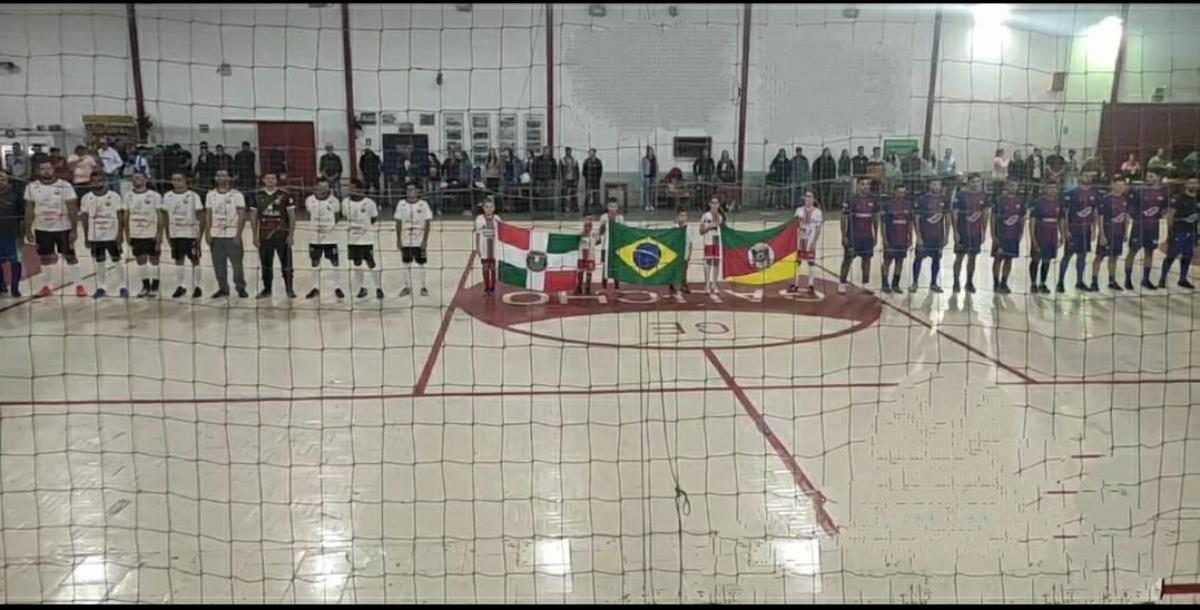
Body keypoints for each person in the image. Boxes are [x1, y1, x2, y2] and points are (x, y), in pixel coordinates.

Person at [24, 160, 84, 297]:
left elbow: (72, 209)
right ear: (38, 171)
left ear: (53, 169)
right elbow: (29, 210)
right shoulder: (31, 187)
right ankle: (47, 286)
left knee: (70, 256)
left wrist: (74, 229)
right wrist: (28, 230)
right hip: (42, 229)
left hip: (63, 228)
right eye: (42, 168)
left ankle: (79, 285)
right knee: (45, 258)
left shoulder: (65, 186)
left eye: (48, 168)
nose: (46, 171)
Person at [79, 171, 127, 298]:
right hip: (95, 237)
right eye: (94, 181)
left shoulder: (114, 196)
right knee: (99, 262)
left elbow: (120, 216)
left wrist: (120, 234)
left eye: (99, 181)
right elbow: (84, 218)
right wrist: (86, 236)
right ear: (90, 183)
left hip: (111, 235)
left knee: (117, 261)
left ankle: (123, 286)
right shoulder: (86, 198)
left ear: (104, 181)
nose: (97, 183)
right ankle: (101, 287)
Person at [204, 169, 248, 299]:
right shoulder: (210, 195)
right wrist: (208, 232)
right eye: (218, 175)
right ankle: (223, 288)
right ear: (215, 178)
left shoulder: (237, 195)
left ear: (229, 178)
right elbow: (208, 214)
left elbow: (241, 215)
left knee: (237, 265)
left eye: (224, 175)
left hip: (232, 235)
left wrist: (238, 235)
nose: (221, 178)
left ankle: (240, 288)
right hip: (216, 235)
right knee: (218, 265)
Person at [252, 172, 296, 299]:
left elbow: (292, 216)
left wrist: (291, 235)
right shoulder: (257, 195)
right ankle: (267, 289)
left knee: (287, 264)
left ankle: (289, 289)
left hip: (282, 235)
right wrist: (254, 236)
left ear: (276, 180)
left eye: (273, 178)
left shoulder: (285, 194)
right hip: (265, 236)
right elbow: (254, 217)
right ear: (263, 180)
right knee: (266, 264)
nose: (270, 180)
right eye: (268, 178)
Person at [163, 172, 205, 299]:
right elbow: (165, 216)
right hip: (175, 233)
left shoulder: (193, 196)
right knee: (178, 260)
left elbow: (201, 216)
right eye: (174, 179)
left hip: (190, 234)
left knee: (194, 260)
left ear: (186, 181)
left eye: (179, 179)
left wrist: (199, 236)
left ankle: (197, 287)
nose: (176, 182)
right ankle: (180, 286)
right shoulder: (167, 196)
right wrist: (167, 234)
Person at [1125, 168, 1167, 290]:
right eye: (1147, 176)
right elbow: (1130, 208)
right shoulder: (1139, 191)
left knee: (1149, 253)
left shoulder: (1163, 193)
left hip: (1153, 228)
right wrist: (1137, 218)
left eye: (1151, 176)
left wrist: (1157, 216)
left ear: (1158, 178)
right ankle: (1128, 279)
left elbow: (1164, 210)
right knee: (1132, 252)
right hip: (1139, 227)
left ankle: (1146, 280)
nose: (1148, 178)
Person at [1058, 170, 1099, 293]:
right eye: (1085, 175)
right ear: (1080, 177)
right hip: (1073, 230)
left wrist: (1094, 229)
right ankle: (1060, 283)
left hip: (1085, 230)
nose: (1088, 178)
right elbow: (1064, 214)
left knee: (1083, 256)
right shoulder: (1071, 193)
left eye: (1090, 176)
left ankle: (1079, 282)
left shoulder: (1094, 193)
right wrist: (1066, 231)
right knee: (1067, 256)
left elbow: (1094, 212)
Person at [304, 177, 344, 300]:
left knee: (335, 262)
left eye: (326, 187)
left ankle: (337, 287)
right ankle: (315, 287)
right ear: (315, 187)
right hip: (315, 238)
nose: (323, 190)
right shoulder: (309, 200)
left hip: (330, 237)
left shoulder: (334, 201)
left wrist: (329, 228)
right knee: (315, 262)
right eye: (321, 187)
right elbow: (308, 215)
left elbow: (337, 217)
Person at [342, 179, 383, 300]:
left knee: (371, 263)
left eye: (352, 187)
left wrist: (364, 228)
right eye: (349, 187)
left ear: (359, 189)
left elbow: (374, 218)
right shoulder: (345, 202)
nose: (349, 190)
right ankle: (361, 287)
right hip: (352, 239)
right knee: (357, 263)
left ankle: (378, 287)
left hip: (366, 239)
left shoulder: (369, 202)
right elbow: (344, 216)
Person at [124, 171, 163, 298]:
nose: (136, 180)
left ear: (146, 180)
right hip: (136, 233)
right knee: (141, 260)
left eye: (139, 178)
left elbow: (160, 216)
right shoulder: (128, 195)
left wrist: (159, 234)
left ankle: (155, 286)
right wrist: (127, 233)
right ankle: (145, 286)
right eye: (134, 178)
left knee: (154, 260)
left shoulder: (154, 196)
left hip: (151, 233)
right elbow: (126, 215)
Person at [838, 177, 878, 295]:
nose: (865, 186)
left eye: (867, 184)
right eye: (863, 184)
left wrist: (876, 235)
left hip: (867, 237)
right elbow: (843, 218)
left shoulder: (873, 200)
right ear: (858, 185)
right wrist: (844, 235)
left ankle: (865, 284)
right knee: (847, 259)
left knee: (867, 260)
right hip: (853, 237)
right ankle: (842, 283)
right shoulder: (851, 200)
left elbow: (875, 218)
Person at [1159, 176, 1199, 290]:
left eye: (1196, 183)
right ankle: (1162, 278)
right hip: (1179, 232)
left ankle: (1182, 279)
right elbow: (1170, 215)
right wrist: (1170, 232)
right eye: (1191, 183)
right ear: (1186, 185)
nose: (1194, 185)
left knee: (1187, 256)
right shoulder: (1179, 199)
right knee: (1171, 255)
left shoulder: (1198, 199)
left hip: (1192, 232)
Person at [951, 173, 988, 293]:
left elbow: (985, 215)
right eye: (973, 182)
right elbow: (954, 214)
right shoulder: (961, 195)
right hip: (963, 232)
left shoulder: (984, 196)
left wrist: (983, 231)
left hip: (976, 233)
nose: (975, 184)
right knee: (959, 257)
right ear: (968, 183)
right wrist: (956, 232)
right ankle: (956, 282)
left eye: (978, 182)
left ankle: (969, 282)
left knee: (972, 258)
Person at [910, 177, 949, 292]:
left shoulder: (944, 200)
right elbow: (916, 219)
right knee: (918, 259)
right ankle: (915, 283)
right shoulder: (922, 200)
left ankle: (933, 283)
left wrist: (946, 236)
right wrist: (918, 237)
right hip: (925, 236)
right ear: (929, 186)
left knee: (937, 260)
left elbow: (948, 218)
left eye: (938, 184)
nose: (937, 187)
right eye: (934, 184)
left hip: (938, 237)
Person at [395, 182, 432, 297]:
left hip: (419, 239)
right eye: (408, 189)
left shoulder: (423, 204)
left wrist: (425, 240)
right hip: (406, 239)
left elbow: (427, 223)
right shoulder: (401, 204)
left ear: (417, 191)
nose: (410, 192)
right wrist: (398, 239)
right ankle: (407, 287)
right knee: (406, 263)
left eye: (412, 189)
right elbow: (398, 222)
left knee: (421, 263)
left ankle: (423, 286)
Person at [1093, 177, 1130, 291]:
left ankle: (1112, 281)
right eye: (1117, 185)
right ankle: (1094, 281)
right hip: (1107, 232)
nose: (1120, 188)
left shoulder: (1125, 200)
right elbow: (1100, 218)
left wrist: (1125, 232)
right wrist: (1102, 235)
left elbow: (1126, 217)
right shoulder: (1106, 199)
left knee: (1114, 257)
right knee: (1099, 257)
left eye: (1122, 185)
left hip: (1119, 233)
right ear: (1112, 185)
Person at [990, 178, 1025, 294]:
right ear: (1006, 186)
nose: (1013, 188)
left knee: (1009, 259)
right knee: (998, 259)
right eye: (1011, 185)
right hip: (1001, 235)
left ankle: (1004, 282)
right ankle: (996, 282)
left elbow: (1022, 219)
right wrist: (993, 234)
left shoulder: (1021, 201)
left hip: (1013, 236)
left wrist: (1021, 233)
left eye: (1015, 185)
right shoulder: (999, 200)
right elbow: (993, 217)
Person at [1027, 180, 1062, 294]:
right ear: (1044, 189)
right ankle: (1033, 283)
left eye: (1054, 187)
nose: (1052, 190)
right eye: (1049, 187)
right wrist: (1033, 238)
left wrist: (1061, 235)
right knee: (1036, 260)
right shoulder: (1037, 202)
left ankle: (1043, 283)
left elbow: (1061, 220)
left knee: (1047, 260)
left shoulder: (1058, 203)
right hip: (1040, 235)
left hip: (1052, 236)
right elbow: (1031, 221)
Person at [879, 184, 912, 293]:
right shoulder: (888, 205)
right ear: (894, 192)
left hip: (902, 239)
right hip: (891, 238)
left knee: (900, 261)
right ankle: (884, 284)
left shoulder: (908, 205)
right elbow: (883, 223)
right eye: (899, 192)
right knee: (887, 261)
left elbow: (910, 223)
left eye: (903, 192)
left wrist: (910, 237)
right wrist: (884, 240)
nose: (901, 194)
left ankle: (895, 284)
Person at [791, 189, 823, 294]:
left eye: (810, 197)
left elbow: (818, 228)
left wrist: (814, 242)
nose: (808, 199)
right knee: (797, 261)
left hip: (810, 241)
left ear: (814, 199)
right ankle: (795, 283)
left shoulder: (818, 212)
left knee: (811, 262)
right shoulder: (799, 210)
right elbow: (792, 226)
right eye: (806, 196)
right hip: (799, 240)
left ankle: (811, 284)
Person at [0, 172, 24, 297]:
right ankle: (1, 285)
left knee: (15, 261)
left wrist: (22, 235)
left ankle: (15, 287)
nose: (0, 181)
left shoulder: (15, 196)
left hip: (12, 236)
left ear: (8, 180)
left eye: (2, 178)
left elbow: (22, 218)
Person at [474, 196, 502, 296]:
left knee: (493, 268)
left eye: (491, 207)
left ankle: (493, 288)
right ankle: (486, 288)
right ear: (483, 208)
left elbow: (502, 233)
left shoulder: (497, 219)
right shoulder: (479, 219)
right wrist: (477, 248)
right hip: (484, 247)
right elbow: (477, 234)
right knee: (485, 268)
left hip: (494, 248)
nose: (489, 209)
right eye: (487, 207)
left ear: (494, 208)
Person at [596, 197, 624, 291]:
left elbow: (623, 232)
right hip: (605, 246)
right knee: (605, 265)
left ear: (617, 208)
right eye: (611, 206)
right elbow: (601, 232)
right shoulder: (603, 217)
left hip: (616, 246)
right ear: (607, 207)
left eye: (615, 206)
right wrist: (603, 225)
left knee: (616, 264)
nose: (613, 208)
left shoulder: (620, 218)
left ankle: (617, 286)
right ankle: (604, 286)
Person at [699, 196, 724, 295]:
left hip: (717, 241)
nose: (714, 205)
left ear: (718, 204)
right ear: (709, 204)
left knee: (716, 261)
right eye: (712, 203)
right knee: (708, 261)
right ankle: (707, 285)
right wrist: (709, 227)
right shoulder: (705, 216)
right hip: (708, 241)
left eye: (716, 203)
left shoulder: (721, 217)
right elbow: (701, 231)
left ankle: (714, 284)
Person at [531, 146, 557, 214]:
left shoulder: (552, 160)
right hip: (540, 179)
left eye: (548, 151)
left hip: (549, 179)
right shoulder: (538, 159)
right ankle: (541, 208)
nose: (547, 152)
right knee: (541, 194)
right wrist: (536, 178)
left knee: (550, 194)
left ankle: (550, 208)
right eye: (546, 151)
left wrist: (553, 179)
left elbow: (555, 170)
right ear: (543, 151)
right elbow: (534, 168)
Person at [578, 213, 598, 296]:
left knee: (589, 272)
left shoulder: (594, 232)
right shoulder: (580, 231)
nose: (589, 221)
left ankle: (588, 287)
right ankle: (579, 287)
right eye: (587, 219)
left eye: (591, 219)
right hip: (581, 255)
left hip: (590, 255)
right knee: (580, 271)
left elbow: (598, 241)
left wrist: (591, 245)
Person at [811, 148, 837, 212]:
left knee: (828, 195)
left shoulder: (832, 161)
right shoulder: (818, 161)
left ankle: (828, 207)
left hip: (828, 182)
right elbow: (815, 171)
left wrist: (832, 179)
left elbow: (833, 171)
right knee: (820, 195)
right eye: (826, 152)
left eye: (828, 152)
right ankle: (821, 207)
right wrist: (815, 180)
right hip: (820, 181)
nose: (827, 153)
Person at [501, 148, 524, 212]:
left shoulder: (515, 159)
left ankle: (511, 207)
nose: (505, 153)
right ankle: (508, 206)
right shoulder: (503, 160)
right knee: (505, 193)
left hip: (513, 178)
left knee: (511, 192)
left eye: (506, 152)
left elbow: (521, 167)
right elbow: (502, 170)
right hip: (505, 178)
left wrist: (518, 175)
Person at [560, 147, 580, 214]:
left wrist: (577, 179)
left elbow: (577, 171)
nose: (568, 152)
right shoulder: (562, 160)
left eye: (569, 151)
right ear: (565, 152)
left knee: (574, 194)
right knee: (564, 194)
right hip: (565, 179)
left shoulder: (574, 160)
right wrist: (561, 179)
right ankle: (563, 208)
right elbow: (560, 171)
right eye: (567, 151)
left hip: (573, 179)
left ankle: (574, 208)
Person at [583, 148, 603, 214]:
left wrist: (597, 178)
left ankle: (596, 210)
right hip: (588, 181)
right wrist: (588, 178)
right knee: (588, 196)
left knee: (596, 196)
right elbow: (584, 172)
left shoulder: (598, 161)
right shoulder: (586, 161)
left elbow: (600, 171)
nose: (592, 154)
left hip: (596, 182)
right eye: (590, 153)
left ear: (595, 153)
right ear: (589, 153)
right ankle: (586, 210)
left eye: (593, 152)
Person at [641, 146, 658, 212]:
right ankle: (646, 205)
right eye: (649, 151)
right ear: (647, 152)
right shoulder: (644, 159)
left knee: (652, 192)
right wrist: (642, 178)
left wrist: (656, 175)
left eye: (652, 151)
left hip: (653, 176)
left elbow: (657, 167)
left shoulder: (655, 159)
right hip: (646, 176)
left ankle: (651, 205)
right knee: (646, 191)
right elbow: (642, 169)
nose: (651, 152)